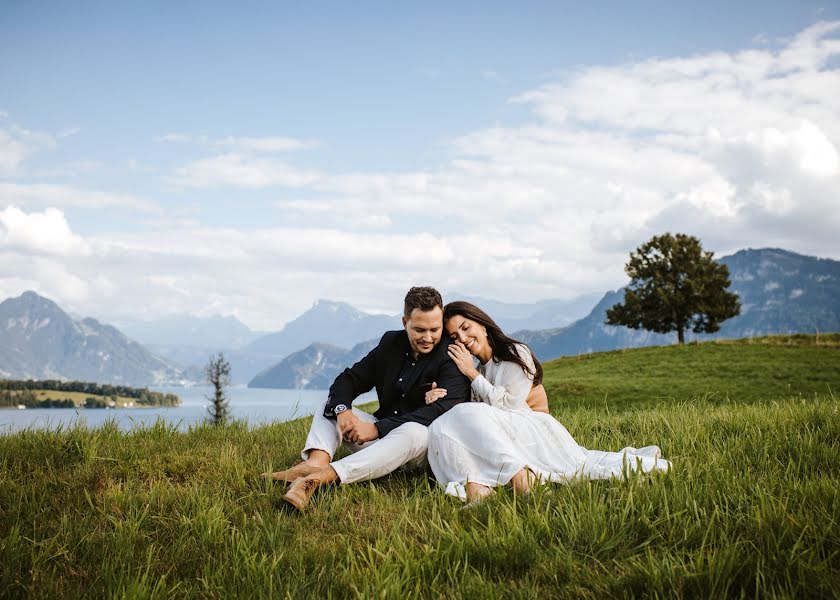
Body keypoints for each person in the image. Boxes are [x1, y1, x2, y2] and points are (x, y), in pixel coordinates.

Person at [425, 301, 671, 503]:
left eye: (467, 328)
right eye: (455, 336)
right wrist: (438, 395)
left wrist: (472, 375)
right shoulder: (477, 369)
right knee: (446, 423)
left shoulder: (514, 353)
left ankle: (519, 479)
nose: (464, 338)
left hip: (532, 428)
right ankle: (477, 486)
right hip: (504, 435)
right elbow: (475, 421)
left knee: (466, 415)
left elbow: (509, 406)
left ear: (483, 325)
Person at [262, 286, 471, 510]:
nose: (428, 338)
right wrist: (343, 411)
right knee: (330, 405)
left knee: (415, 431)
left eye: (435, 329)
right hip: (379, 441)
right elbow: (350, 379)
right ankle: (314, 464)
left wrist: (377, 428)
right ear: (404, 323)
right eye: (419, 329)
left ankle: (320, 478)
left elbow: (441, 410)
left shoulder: (452, 355)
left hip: (419, 453)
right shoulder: (391, 343)